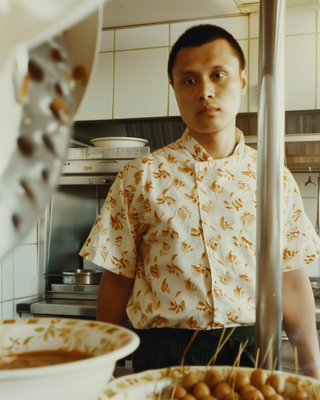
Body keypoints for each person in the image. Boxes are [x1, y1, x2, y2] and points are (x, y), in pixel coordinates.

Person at [80, 24, 320, 378]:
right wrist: (102, 369)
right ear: (174, 89)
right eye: (189, 80)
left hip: (255, 352)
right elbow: (117, 281)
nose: (205, 91)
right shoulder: (140, 175)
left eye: (218, 75)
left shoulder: (273, 177)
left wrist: (312, 368)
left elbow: (292, 277)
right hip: (164, 354)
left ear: (241, 80)